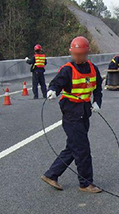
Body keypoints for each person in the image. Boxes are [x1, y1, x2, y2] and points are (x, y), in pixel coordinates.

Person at [41, 36, 103, 194]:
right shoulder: (68, 69)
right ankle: (85, 183)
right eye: (75, 54)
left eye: (80, 54)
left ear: (86, 53)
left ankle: (51, 174)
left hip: (84, 111)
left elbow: (97, 90)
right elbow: (56, 83)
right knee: (82, 149)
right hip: (71, 112)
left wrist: (97, 103)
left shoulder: (93, 69)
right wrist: (52, 91)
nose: (77, 57)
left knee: (73, 147)